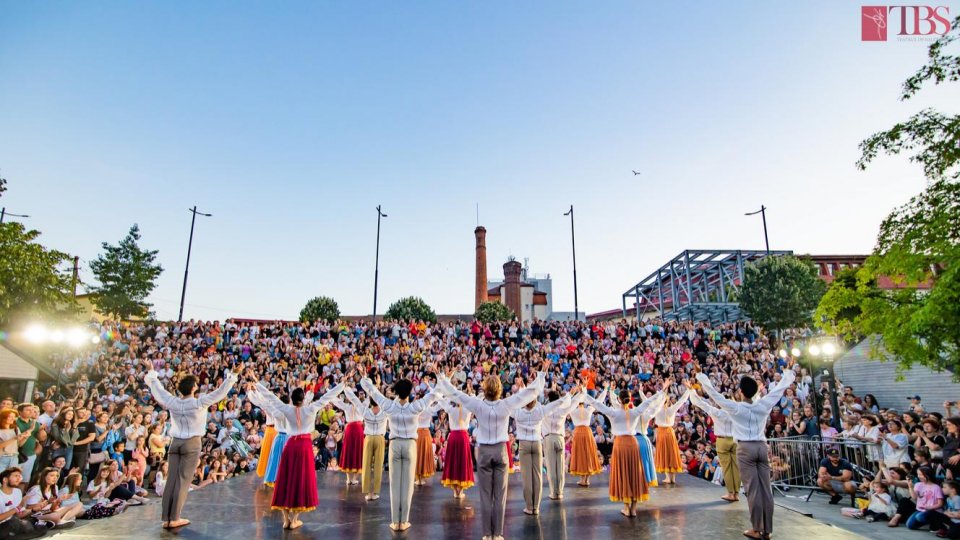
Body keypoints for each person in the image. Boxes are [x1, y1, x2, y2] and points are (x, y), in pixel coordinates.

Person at [438, 368, 546, 540]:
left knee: (485, 495)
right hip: (501, 451)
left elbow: (454, 394)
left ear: (484, 388)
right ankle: (497, 534)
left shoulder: (477, 404)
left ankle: (488, 534)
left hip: (484, 453)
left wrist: (441, 377)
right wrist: (541, 375)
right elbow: (530, 393)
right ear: (500, 390)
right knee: (500, 496)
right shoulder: (506, 404)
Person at [697, 368, 797, 540]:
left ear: (741, 392)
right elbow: (778, 390)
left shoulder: (735, 408)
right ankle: (767, 530)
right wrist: (788, 375)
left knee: (753, 490)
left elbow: (714, 395)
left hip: (745, 448)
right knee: (766, 489)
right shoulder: (764, 404)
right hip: (761, 446)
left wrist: (701, 377)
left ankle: (757, 529)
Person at [142, 359, 239, 529]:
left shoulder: (172, 401)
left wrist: (151, 371)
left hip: (175, 443)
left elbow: (157, 389)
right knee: (183, 481)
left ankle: (166, 518)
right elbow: (220, 392)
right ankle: (175, 518)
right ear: (194, 387)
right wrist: (234, 375)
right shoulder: (199, 402)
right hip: (191, 444)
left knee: (171, 479)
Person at [249, 376, 345, 531]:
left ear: (292, 400)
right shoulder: (311, 408)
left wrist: (256, 382)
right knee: (301, 482)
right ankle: (293, 520)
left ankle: (286, 520)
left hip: (290, 446)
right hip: (304, 447)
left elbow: (270, 397)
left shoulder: (287, 409)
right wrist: (342, 383)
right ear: (303, 399)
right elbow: (328, 396)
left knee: (286, 481)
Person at [361, 372, 442, 532]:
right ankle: (403, 521)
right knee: (407, 485)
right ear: (410, 392)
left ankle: (395, 522)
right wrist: (440, 377)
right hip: (410, 445)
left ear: (396, 392)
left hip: (395, 445)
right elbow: (436, 393)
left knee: (394, 484)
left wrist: (366, 378)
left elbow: (371, 391)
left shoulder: (389, 405)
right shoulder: (416, 407)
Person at [583, 381, 668, 518]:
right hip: (633, 444)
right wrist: (663, 391)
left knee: (623, 474)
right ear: (629, 400)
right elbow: (650, 402)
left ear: (620, 400)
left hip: (620, 445)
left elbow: (597, 404)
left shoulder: (614, 412)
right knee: (635, 474)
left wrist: (583, 392)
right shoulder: (635, 411)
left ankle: (626, 508)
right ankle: (633, 509)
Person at [509, 385, 576, 514]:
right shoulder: (542, 410)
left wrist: (522, 393)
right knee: (540, 474)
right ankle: (541, 504)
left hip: (528, 443)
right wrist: (570, 394)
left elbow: (510, 404)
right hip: (541, 442)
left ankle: (530, 506)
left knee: (528, 476)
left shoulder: (519, 412)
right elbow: (564, 402)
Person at [689, 392, 739, 501]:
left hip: (722, 440)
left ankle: (731, 493)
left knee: (726, 468)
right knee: (735, 467)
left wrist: (691, 391)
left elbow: (701, 404)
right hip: (735, 440)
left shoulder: (717, 412)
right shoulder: (736, 412)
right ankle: (737, 493)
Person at [341, 386, 388, 501]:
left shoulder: (365, 410)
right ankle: (374, 492)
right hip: (379, 438)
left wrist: (345, 387)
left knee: (366, 465)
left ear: (370, 402)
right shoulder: (385, 410)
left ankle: (367, 493)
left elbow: (354, 399)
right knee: (377, 466)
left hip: (368, 438)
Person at [541, 387, 581, 500]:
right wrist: (579, 392)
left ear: (549, 399)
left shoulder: (545, 409)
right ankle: (560, 492)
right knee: (560, 466)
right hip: (560, 438)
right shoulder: (562, 410)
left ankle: (554, 492)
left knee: (551, 467)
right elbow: (574, 403)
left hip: (549, 438)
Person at [653, 387, 693, 485]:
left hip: (662, 432)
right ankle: (673, 478)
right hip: (670, 433)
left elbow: (647, 401)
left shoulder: (657, 410)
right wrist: (688, 390)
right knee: (672, 454)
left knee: (665, 454)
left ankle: (667, 477)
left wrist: (641, 391)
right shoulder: (672, 409)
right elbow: (682, 400)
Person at [569, 387, 606, 487]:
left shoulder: (572, 410)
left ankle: (582, 479)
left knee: (580, 455)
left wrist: (575, 394)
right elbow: (598, 402)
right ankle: (587, 479)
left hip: (578, 433)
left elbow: (567, 402)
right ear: (584, 403)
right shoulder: (588, 409)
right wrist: (605, 389)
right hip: (587, 432)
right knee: (588, 454)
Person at [439, 397, 475, 499]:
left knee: (453, 462)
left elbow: (441, 400)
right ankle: (461, 491)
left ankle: (455, 491)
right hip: (463, 437)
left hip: (453, 436)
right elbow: (476, 400)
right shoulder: (467, 409)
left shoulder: (450, 409)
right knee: (463, 462)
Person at [329, 391, 365, 486]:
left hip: (349, 429)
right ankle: (353, 479)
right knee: (357, 452)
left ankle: (349, 479)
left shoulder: (347, 406)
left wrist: (329, 392)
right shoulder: (362, 406)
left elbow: (336, 401)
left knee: (349, 452)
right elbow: (371, 399)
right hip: (357, 430)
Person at [0, 467, 47, 540]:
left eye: (20, 476)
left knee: (27, 525)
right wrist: (16, 509)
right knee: (15, 523)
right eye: (16, 476)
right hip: (4, 525)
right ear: (5, 480)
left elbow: (19, 514)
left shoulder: (17, 492)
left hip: (12, 521)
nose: (19, 478)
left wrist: (33, 510)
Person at [414, 399, 443, 486]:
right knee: (424, 455)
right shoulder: (429, 409)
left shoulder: (416, 408)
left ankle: (418, 478)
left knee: (418, 455)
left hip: (418, 433)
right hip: (426, 433)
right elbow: (440, 404)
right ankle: (421, 478)